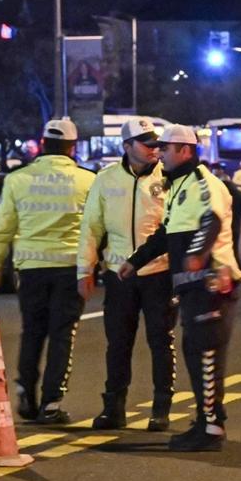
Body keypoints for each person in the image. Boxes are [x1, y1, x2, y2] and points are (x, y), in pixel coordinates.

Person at [120, 125, 241, 452]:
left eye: (166, 148)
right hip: (193, 285)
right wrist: (136, 260)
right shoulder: (179, 186)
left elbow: (212, 220)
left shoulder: (205, 183)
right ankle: (207, 420)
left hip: (210, 282)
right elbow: (165, 234)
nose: (159, 153)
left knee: (205, 354)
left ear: (185, 151)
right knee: (196, 352)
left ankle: (211, 428)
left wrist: (196, 255)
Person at [0, 118, 95, 424]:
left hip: (30, 270)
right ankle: (51, 402)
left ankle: (24, 387)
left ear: (42, 143)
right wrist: (93, 268)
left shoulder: (17, 180)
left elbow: (1, 227)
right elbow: (96, 229)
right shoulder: (88, 181)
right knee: (62, 335)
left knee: (32, 331)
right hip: (69, 268)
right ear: (73, 147)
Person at [77, 117, 177, 432]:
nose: (154, 150)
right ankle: (113, 408)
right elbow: (91, 227)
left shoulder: (170, 178)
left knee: (161, 340)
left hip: (160, 271)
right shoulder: (105, 180)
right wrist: (85, 269)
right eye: (147, 144)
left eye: (157, 144)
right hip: (119, 275)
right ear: (127, 146)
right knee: (118, 343)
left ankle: (161, 409)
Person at [211, 161, 241, 280]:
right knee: (233, 249)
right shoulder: (233, 189)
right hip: (234, 223)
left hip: (220, 225)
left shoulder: (214, 190)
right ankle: (237, 273)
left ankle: (230, 275)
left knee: (220, 251)